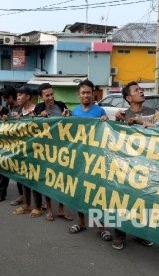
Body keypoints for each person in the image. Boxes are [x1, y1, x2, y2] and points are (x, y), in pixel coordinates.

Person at [112, 82, 158, 249]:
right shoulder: (122, 115)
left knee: (142, 199)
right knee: (121, 198)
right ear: (128, 98)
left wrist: (142, 123)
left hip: (146, 165)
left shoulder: (153, 113)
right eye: (136, 90)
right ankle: (119, 235)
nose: (141, 92)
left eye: (141, 89)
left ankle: (140, 233)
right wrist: (112, 121)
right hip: (125, 165)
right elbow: (112, 137)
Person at [69, 79, 112, 241]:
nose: (86, 95)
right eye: (83, 93)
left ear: (93, 94)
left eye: (88, 92)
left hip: (96, 159)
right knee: (79, 191)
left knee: (96, 193)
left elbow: (108, 134)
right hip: (79, 158)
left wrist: (106, 122)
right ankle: (81, 223)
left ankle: (101, 227)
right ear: (78, 95)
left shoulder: (100, 111)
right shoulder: (74, 112)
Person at [33, 83, 72, 222]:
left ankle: (61, 209)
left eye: (52, 94)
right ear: (41, 97)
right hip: (46, 151)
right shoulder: (38, 108)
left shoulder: (61, 105)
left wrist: (68, 115)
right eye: (47, 95)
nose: (50, 97)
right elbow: (31, 124)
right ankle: (49, 209)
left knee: (62, 179)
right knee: (48, 180)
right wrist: (39, 116)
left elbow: (73, 122)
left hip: (62, 149)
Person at [11, 86, 44, 218]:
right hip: (22, 150)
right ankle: (26, 205)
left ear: (28, 97)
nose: (18, 97)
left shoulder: (38, 109)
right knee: (24, 179)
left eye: (20, 95)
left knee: (34, 179)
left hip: (36, 150)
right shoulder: (19, 111)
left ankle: (38, 207)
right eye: (17, 95)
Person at [2, 86, 25, 206]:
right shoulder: (9, 108)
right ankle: (22, 195)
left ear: (11, 97)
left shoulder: (22, 107)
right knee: (17, 170)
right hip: (14, 143)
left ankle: (25, 196)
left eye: (6, 99)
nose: (5, 102)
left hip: (24, 143)